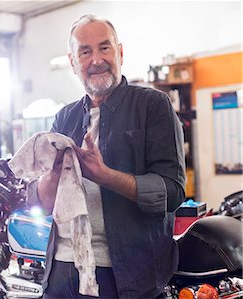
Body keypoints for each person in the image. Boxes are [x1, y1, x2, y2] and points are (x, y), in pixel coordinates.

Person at [27, 14, 186, 298]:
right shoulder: (65, 117)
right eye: (85, 52)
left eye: (104, 47)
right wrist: (52, 172)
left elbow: (173, 192)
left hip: (128, 276)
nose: (96, 59)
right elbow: (44, 201)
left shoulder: (152, 106)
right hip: (63, 272)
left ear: (120, 52)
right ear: (73, 62)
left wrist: (105, 176)